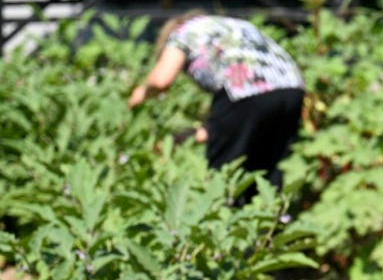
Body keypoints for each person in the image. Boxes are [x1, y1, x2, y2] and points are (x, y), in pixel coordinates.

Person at [129, 12, 305, 188]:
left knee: (221, 177)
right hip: (291, 88)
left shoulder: (182, 31)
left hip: (244, 85)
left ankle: (222, 213)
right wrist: (182, 138)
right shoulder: (233, 24)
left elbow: (161, 80)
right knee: (267, 173)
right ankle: (269, 214)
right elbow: (228, 125)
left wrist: (139, 96)